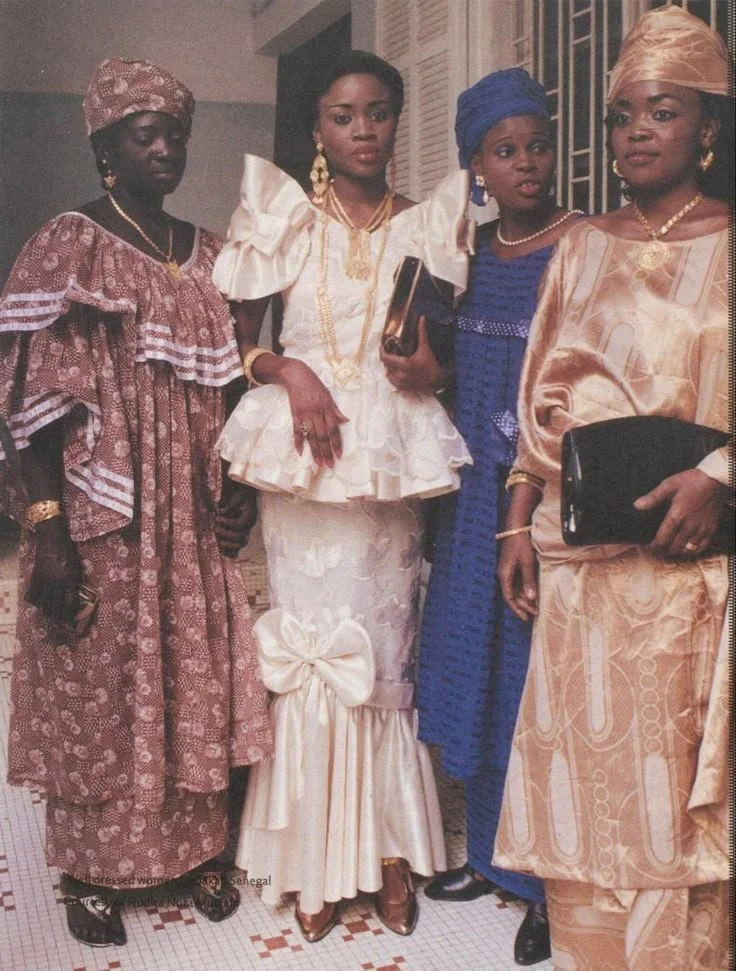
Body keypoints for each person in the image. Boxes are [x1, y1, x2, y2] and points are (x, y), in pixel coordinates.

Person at [0, 58, 272, 948]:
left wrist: (241, 492)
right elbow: (33, 406)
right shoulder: (68, 242)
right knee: (101, 678)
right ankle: (87, 866)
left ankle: (194, 850)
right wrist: (48, 534)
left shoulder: (208, 255)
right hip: (101, 513)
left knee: (188, 666)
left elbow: (234, 394)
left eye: (176, 135)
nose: (165, 149)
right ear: (104, 146)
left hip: (190, 516)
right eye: (143, 135)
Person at [212, 50, 473, 943]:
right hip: (302, 455)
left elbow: (449, 353)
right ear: (318, 129)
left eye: (377, 112)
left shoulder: (431, 225)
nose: (362, 130)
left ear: (400, 120)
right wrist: (291, 373)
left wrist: (432, 369)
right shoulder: (283, 221)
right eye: (341, 115)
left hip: (390, 460)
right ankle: (312, 858)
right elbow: (238, 347)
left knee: (382, 650)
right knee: (313, 650)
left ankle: (391, 853)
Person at [492, 8, 731, 968]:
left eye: (661, 112)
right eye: (622, 114)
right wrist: (516, 525)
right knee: (584, 798)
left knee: (674, 804)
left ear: (707, 129)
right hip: (582, 567)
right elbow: (538, 398)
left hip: (686, 577)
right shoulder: (583, 245)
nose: (635, 130)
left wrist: (719, 476)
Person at [414, 68, 580, 967]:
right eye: (504, 151)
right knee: (474, 665)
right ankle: (484, 855)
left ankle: (544, 884)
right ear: (475, 164)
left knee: (532, 684)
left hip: (542, 497)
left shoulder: (581, 246)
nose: (526, 164)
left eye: (537, 145)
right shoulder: (465, 253)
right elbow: (439, 371)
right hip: (470, 496)